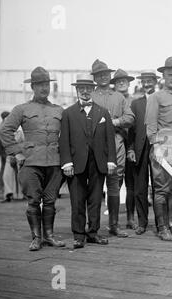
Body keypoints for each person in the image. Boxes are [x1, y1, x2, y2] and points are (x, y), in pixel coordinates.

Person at [0, 67, 65, 251]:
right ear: (33, 87)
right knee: (33, 201)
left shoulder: (59, 110)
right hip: (30, 163)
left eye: (46, 84)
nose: (44, 88)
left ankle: (50, 236)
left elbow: (67, 135)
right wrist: (16, 152)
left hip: (54, 162)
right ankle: (36, 238)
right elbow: (5, 130)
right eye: (40, 85)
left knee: (51, 201)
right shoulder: (21, 109)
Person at [59, 74, 116, 249]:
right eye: (81, 89)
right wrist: (66, 162)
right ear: (77, 91)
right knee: (77, 199)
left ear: (93, 90)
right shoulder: (68, 113)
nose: (85, 92)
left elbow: (109, 139)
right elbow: (64, 140)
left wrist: (111, 161)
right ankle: (78, 235)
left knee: (95, 198)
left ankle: (93, 233)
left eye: (88, 89)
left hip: (98, 162)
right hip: (76, 163)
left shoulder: (103, 112)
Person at [145, 56, 172, 242]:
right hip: (164, 147)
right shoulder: (156, 97)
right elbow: (150, 124)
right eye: (170, 75)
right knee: (161, 190)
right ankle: (162, 228)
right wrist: (156, 147)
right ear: (163, 76)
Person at [91, 59, 134, 238]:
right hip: (95, 145)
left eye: (106, 74)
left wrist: (114, 122)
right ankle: (92, 227)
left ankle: (114, 225)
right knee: (94, 185)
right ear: (94, 78)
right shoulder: (91, 96)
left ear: (110, 76)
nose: (103, 77)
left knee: (115, 184)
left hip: (116, 143)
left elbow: (130, 118)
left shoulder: (119, 97)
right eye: (99, 74)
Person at [126, 70, 159, 234]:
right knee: (140, 187)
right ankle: (142, 222)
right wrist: (131, 149)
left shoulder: (161, 100)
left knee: (159, 187)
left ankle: (161, 224)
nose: (147, 84)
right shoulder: (136, 103)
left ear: (155, 82)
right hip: (139, 149)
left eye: (150, 81)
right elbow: (131, 130)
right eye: (144, 81)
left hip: (158, 147)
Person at [110, 69, 137, 229]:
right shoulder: (112, 100)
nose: (121, 83)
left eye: (124, 80)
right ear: (114, 83)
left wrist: (133, 147)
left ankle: (130, 217)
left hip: (132, 144)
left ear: (128, 83)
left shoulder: (135, 101)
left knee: (131, 183)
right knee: (115, 181)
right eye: (118, 81)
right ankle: (114, 221)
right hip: (116, 142)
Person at [0, 111, 10, 194]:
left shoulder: (0, 125)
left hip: (2, 150)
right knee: (5, 169)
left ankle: (2, 187)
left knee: (3, 168)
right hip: (5, 150)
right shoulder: (3, 126)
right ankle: (3, 187)